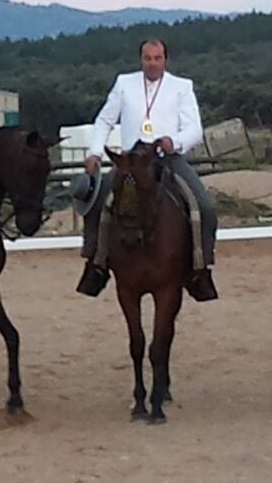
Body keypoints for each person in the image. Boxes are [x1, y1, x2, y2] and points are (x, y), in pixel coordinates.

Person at [75, 38, 219, 302]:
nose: (152, 63)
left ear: (165, 59)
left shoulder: (181, 87)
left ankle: (201, 267)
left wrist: (174, 141)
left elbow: (195, 129)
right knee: (96, 203)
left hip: (167, 158)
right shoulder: (124, 83)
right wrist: (95, 152)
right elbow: (105, 119)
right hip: (130, 161)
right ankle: (95, 264)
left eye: (157, 58)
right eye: (148, 58)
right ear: (141, 59)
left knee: (204, 208)